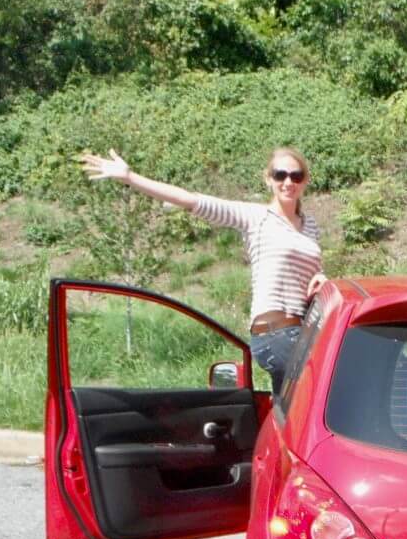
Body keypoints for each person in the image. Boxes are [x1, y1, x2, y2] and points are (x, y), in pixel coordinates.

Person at [79, 147, 326, 392]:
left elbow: (313, 276)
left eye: (296, 176)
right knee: (322, 390)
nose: (288, 182)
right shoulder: (256, 217)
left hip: (303, 332)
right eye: (280, 175)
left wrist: (321, 280)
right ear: (268, 178)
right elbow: (191, 200)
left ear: (305, 181)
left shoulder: (310, 225)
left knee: (295, 415)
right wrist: (130, 177)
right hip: (275, 334)